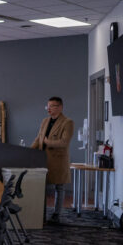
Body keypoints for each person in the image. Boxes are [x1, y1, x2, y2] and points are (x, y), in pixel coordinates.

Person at [31, 96, 75, 224]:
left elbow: (64, 142)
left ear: (60, 107)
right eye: (48, 106)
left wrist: (47, 142)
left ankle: (56, 214)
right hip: (43, 159)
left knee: (59, 187)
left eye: (52, 106)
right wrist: (29, 150)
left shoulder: (67, 122)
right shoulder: (45, 121)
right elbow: (38, 138)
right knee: (41, 186)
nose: (49, 109)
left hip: (58, 160)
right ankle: (41, 212)